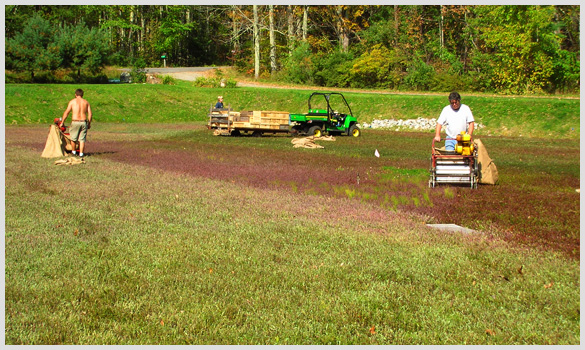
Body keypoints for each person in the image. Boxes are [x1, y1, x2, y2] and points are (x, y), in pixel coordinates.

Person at [61, 89, 92, 157]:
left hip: (75, 121)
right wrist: (89, 123)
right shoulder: (86, 102)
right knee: (82, 139)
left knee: (73, 138)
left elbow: (67, 112)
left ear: (75, 94)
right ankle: (81, 154)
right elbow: (90, 114)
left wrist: (62, 121)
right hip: (83, 122)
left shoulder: (72, 102)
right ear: (82, 95)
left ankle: (74, 152)